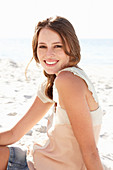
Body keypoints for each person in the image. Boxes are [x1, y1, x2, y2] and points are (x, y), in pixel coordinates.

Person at [0, 16, 104, 170]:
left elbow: (90, 152)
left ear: (71, 47)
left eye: (57, 46)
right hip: (35, 160)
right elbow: (14, 134)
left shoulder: (68, 80)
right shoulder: (51, 84)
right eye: (42, 46)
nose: (48, 54)